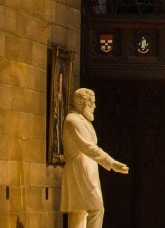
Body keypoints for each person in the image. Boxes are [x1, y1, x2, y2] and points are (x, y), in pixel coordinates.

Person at [61, 88, 128, 228]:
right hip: (79, 168)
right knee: (96, 209)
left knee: (81, 212)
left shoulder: (82, 120)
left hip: (86, 166)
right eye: (91, 103)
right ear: (81, 103)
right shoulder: (73, 120)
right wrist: (112, 163)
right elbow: (89, 147)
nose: (94, 106)